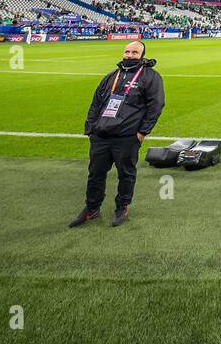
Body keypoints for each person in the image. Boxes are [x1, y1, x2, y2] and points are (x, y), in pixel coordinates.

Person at [69, 40, 166, 228]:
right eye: (127, 51)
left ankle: (122, 207)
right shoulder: (111, 76)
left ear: (142, 55)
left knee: (126, 174)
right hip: (101, 136)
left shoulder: (150, 77)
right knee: (95, 174)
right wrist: (91, 128)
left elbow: (156, 106)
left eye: (134, 53)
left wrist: (142, 132)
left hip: (127, 137)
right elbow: (96, 103)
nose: (129, 55)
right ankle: (91, 208)